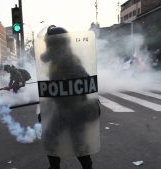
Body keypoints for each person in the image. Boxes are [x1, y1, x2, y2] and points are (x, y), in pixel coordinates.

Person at [38, 25, 101, 169]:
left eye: (50, 43)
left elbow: (85, 81)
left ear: (58, 44)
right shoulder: (56, 60)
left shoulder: (70, 60)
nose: (48, 46)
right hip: (61, 108)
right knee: (53, 138)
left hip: (74, 109)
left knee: (76, 142)